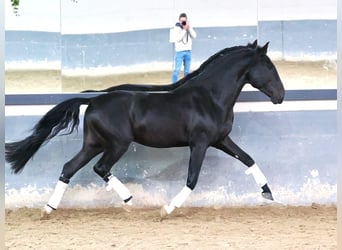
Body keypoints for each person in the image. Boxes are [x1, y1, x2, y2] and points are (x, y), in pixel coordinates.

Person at [171, 13, 197, 83]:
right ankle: (173, 84)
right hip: (180, 52)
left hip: (188, 51)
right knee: (176, 70)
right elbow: (178, 39)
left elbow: (194, 36)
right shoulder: (176, 29)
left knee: (187, 72)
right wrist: (184, 30)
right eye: (182, 21)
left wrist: (189, 28)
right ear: (179, 21)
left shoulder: (188, 27)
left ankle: (186, 86)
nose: (183, 22)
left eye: (185, 21)